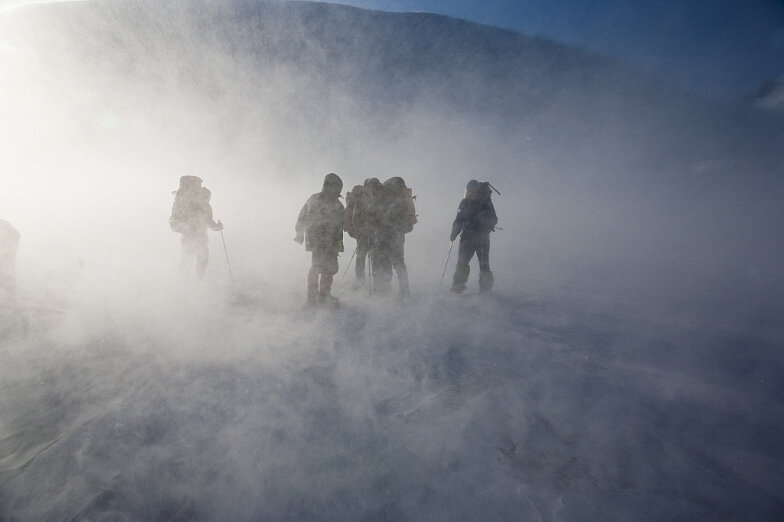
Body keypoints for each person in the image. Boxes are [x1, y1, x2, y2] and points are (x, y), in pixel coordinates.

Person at [295, 173, 345, 306]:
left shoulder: (313, 198)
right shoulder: (337, 205)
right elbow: (339, 228)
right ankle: (323, 295)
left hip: (314, 239)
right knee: (328, 267)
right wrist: (337, 246)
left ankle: (313, 295)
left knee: (317, 266)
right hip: (328, 240)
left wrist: (299, 233)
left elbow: (302, 216)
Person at [169, 175, 223, 278]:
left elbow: (209, 222)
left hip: (189, 237)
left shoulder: (191, 204)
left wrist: (217, 227)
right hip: (199, 237)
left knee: (188, 261)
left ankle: (186, 284)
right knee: (200, 260)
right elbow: (210, 223)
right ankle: (196, 282)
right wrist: (218, 227)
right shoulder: (204, 206)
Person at [371, 177, 416, 299]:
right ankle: (403, 291)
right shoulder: (394, 197)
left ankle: (387, 290)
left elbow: (377, 218)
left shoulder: (383, 198)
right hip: (397, 234)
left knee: (390, 261)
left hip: (388, 234)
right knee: (397, 262)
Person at [450, 180, 498, 293]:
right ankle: (458, 287)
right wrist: (454, 232)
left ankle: (485, 290)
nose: (470, 193)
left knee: (483, 265)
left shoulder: (485, 203)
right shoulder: (464, 202)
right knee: (462, 263)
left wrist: (481, 220)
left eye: (472, 190)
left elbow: (494, 220)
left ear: (477, 190)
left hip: (481, 239)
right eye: (468, 190)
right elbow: (458, 219)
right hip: (468, 238)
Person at [344, 177, 382, 289]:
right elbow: (356, 217)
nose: (373, 190)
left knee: (365, 257)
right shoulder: (361, 200)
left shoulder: (372, 198)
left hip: (366, 233)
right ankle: (363, 282)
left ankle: (361, 282)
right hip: (364, 233)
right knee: (365, 257)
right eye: (371, 187)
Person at [0, 219, 20, 306]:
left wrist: (7, 252)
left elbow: (16, 236)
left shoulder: (4, 225)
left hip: (7, 253)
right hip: (7, 251)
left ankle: (11, 299)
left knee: (6, 273)